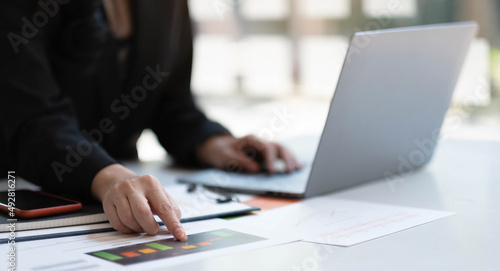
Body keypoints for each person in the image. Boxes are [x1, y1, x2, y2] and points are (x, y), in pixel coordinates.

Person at [0, 0, 300, 241]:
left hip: (119, 198)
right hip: (23, 197)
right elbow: (31, 117)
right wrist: (110, 177)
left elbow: (169, 100)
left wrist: (214, 142)